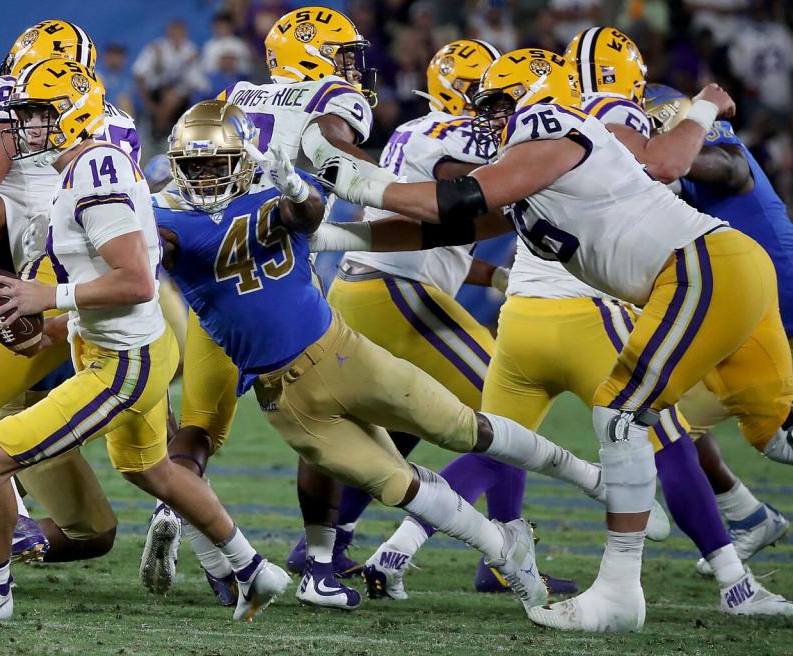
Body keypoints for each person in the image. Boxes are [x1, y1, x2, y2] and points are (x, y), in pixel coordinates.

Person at [319, 48, 793, 631]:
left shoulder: (553, 124)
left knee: (621, 412)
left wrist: (346, 172)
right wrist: (336, 235)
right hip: (710, 275)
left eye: (497, 103)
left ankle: (619, 595)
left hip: (706, 268)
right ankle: (669, 575)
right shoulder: (536, 167)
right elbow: (447, 226)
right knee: (775, 436)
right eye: (482, 105)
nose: (486, 119)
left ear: (537, 92)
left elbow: (456, 199)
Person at [156, 99, 614, 619]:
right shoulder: (164, 217)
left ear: (242, 159)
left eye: (217, 164)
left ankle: (589, 476)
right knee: (400, 485)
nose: (206, 178)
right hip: (285, 398)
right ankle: (506, 555)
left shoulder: (270, 187)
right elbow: (147, 252)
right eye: (195, 168)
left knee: (465, 428)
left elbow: (306, 215)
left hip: (344, 353)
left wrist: (297, 186)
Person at [0, 61, 287, 622]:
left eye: (41, 115)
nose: (27, 128)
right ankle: (251, 569)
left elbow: (135, 280)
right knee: (155, 470)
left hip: (121, 362)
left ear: (74, 111)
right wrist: (53, 325)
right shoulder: (87, 164)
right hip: (128, 342)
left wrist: (46, 300)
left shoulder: (95, 171)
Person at [289, 38, 574, 597]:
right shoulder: (458, 132)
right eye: (491, 93)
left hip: (369, 282)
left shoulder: (413, 129)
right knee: (507, 406)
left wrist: (489, 275)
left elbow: (430, 233)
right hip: (397, 291)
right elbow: (470, 195)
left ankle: (328, 540)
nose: (505, 104)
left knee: (395, 428)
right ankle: (501, 552)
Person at [142, 6, 390, 610]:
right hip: (282, 277)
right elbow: (344, 161)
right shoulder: (330, 97)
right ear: (317, 56)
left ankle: (178, 508)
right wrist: (395, 189)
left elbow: (179, 162)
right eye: (344, 53)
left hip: (214, 279)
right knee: (325, 423)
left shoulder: (238, 92)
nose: (352, 68)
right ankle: (321, 566)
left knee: (198, 429)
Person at [0, 20, 142, 587]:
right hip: (115, 291)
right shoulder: (116, 118)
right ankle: (227, 553)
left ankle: (7, 527)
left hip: (45, 277)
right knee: (130, 486)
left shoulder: (10, 99)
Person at [643, 82, 793, 574]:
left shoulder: (717, 156)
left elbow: (727, 165)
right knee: (663, 425)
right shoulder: (670, 176)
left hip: (782, 316)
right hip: (739, 322)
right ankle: (748, 516)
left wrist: (652, 159)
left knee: (776, 437)